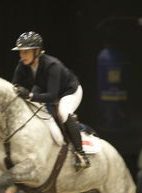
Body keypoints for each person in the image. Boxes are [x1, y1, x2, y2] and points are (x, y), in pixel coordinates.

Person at [11, 31, 89, 169]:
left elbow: (52, 96)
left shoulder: (52, 65)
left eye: (25, 52)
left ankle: (81, 154)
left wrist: (29, 96)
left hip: (69, 91)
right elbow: (14, 86)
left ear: (37, 51)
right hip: (44, 89)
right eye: (21, 52)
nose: (22, 56)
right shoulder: (22, 63)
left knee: (63, 112)